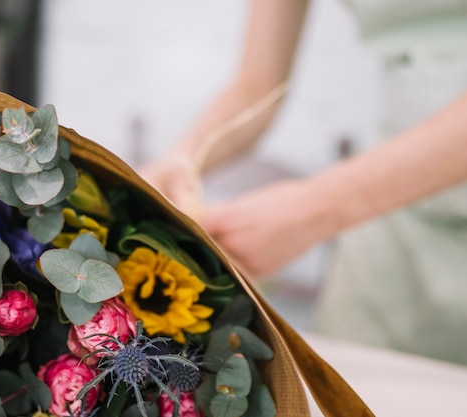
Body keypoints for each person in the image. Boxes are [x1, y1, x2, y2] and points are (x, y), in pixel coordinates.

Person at [139, 0, 467, 365]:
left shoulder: (333, 205)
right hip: (388, 225)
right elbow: (257, 85)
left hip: (367, 196)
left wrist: (321, 208)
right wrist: (179, 162)